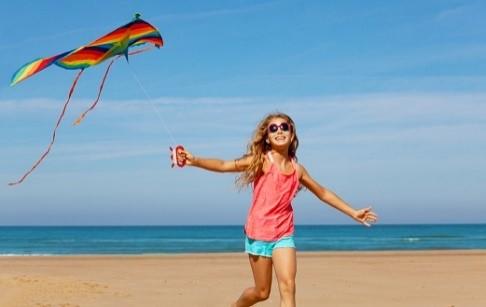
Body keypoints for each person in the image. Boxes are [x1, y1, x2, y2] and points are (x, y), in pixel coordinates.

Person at [178, 112, 378, 307]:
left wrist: (353, 212)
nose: (279, 131)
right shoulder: (261, 160)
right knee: (262, 292)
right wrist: (194, 160)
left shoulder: (297, 169)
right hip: (258, 233)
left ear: (292, 135)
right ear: (267, 136)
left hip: (283, 234)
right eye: (273, 128)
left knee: (288, 286)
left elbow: (323, 192)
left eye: (284, 127)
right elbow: (223, 165)